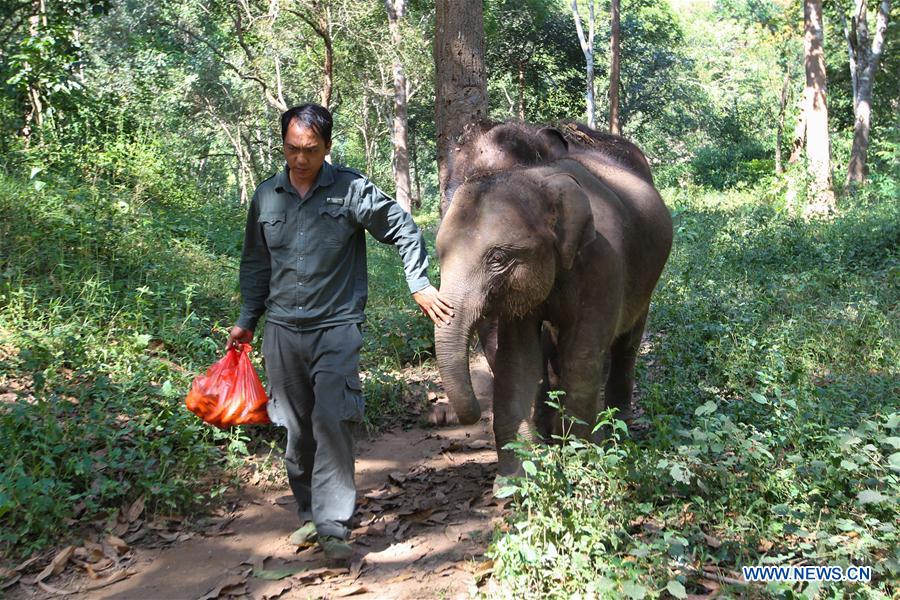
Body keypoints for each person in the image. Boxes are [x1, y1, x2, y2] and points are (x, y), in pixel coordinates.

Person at [227, 103, 453, 561]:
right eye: (292, 149)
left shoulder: (350, 190)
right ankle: (310, 515)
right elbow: (255, 264)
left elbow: (402, 227)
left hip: (336, 327)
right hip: (282, 331)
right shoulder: (266, 196)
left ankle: (333, 525)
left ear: (327, 147)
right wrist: (247, 321)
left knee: (331, 419)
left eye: (310, 149)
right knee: (294, 428)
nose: (300, 159)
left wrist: (419, 282)